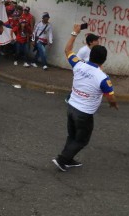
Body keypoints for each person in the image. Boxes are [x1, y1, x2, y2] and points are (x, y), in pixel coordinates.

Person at [52, 23, 118, 172]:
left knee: (72, 135)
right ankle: (62, 160)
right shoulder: (103, 78)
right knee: (82, 140)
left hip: (71, 107)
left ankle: (68, 159)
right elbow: (111, 98)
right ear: (104, 60)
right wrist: (113, 105)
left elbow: (67, 50)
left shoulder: (78, 64)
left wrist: (74, 33)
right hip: (84, 113)